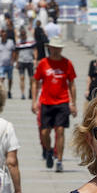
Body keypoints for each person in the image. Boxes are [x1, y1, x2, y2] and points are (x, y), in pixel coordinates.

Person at [32, 38, 77, 172]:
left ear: (61, 49)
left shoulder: (67, 63)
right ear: (49, 48)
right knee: (45, 132)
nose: (56, 50)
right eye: (53, 48)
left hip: (62, 102)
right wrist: (34, 101)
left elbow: (72, 84)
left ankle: (60, 160)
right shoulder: (43, 63)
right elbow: (35, 81)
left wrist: (73, 103)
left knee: (60, 130)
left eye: (58, 48)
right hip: (46, 102)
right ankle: (49, 150)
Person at [14, 26, 36, 99]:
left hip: (30, 61)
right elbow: (16, 53)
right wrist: (16, 62)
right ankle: (23, 93)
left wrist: (35, 59)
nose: (23, 36)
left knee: (31, 78)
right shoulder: (18, 42)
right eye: (21, 34)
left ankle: (30, 91)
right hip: (21, 61)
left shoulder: (31, 40)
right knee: (22, 78)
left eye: (24, 34)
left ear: (26, 34)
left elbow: (35, 50)